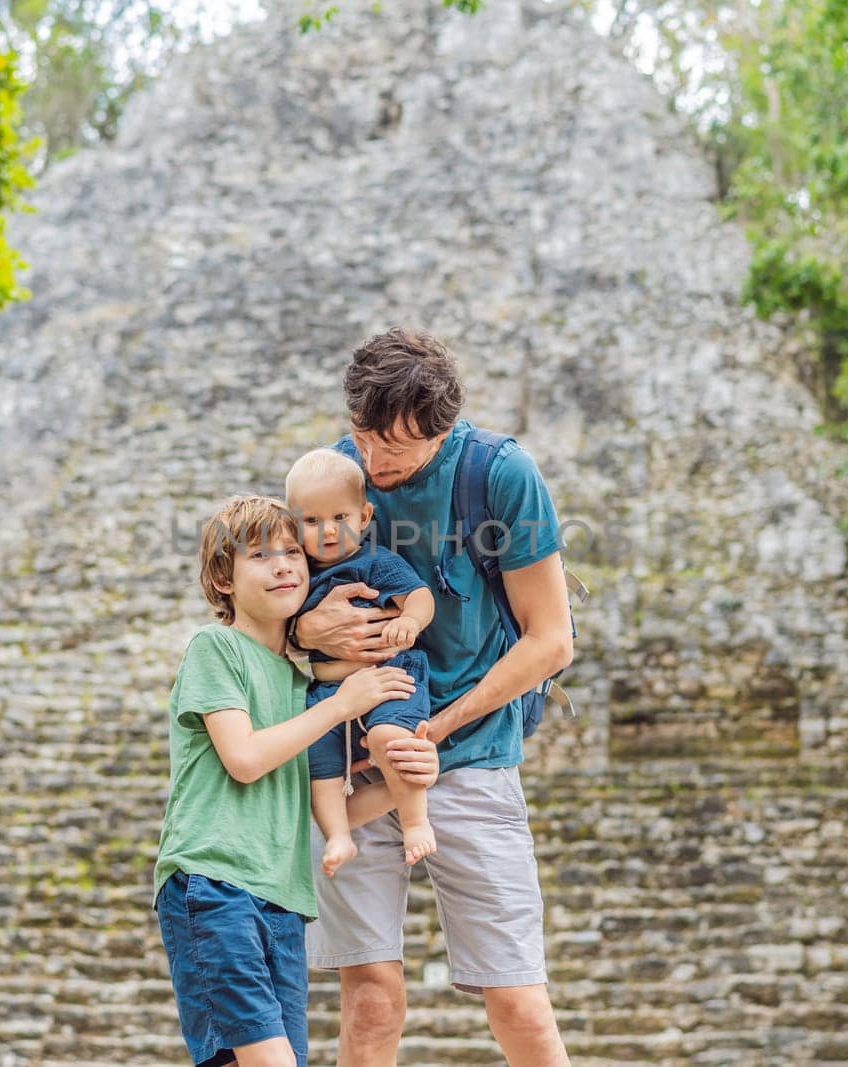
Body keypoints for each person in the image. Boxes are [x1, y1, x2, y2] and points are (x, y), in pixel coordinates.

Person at [292, 328, 574, 1065]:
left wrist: (435, 732)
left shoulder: (499, 474)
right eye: (364, 437)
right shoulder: (336, 471)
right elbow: (269, 602)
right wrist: (307, 627)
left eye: (399, 451)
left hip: (471, 754)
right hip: (356, 762)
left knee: (518, 1002)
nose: (375, 465)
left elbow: (551, 641)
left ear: (443, 429)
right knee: (372, 1001)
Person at [152, 494, 440, 1067]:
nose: (284, 565)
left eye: (291, 552)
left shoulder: (301, 681)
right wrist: (341, 708)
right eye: (260, 555)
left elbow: (323, 806)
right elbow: (245, 759)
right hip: (215, 884)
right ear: (223, 579)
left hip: (283, 902)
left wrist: (408, 775)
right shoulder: (218, 649)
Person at [285, 447, 439, 875]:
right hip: (328, 689)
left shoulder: (373, 561)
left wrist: (409, 619)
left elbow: (420, 595)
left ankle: (415, 820)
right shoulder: (295, 575)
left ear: (365, 517)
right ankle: (338, 834)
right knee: (317, 760)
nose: (328, 531)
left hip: (390, 675)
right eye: (311, 521)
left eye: (341, 518)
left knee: (391, 738)